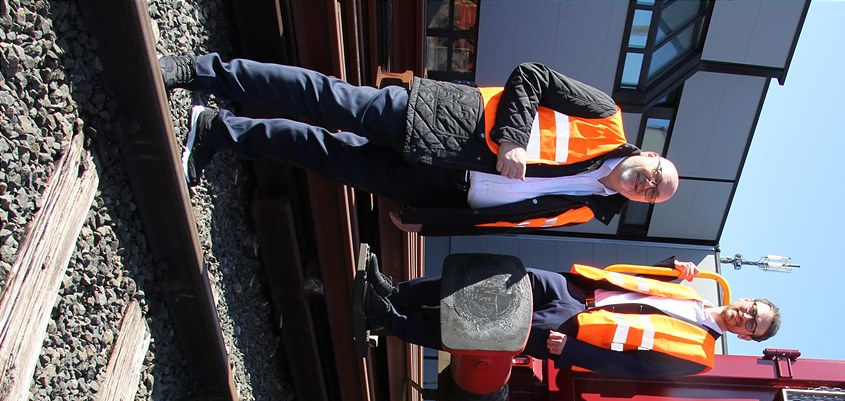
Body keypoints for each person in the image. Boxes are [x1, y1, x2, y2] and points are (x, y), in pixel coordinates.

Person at [160, 55, 679, 234]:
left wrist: (432, 222)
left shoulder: (589, 210)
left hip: (442, 187)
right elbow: (532, 76)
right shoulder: (605, 116)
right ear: (649, 155)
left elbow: (506, 220)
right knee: (327, 99)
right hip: (444, 122)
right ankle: (205, 71)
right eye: (655, 174)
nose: (647, 183)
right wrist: (514, 139)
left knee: (323, 154)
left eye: (653, 194)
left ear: (643, 202)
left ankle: (216, 130)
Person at [359, 258, 781, 378]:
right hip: (575, 291)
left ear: (744, 338)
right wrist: (670, 264)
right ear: (746, 299)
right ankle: (397, 291)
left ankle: (390, 320)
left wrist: (573, 353)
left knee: (483, 332)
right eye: (751, 310)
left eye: (750, 325)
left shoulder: (700, 355)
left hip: (573, 331)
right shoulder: (690, 289)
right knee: (491, 283)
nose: (744, 316)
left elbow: (633, 367)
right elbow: (636, 281)